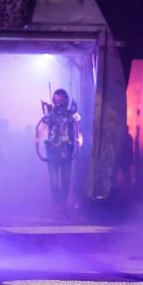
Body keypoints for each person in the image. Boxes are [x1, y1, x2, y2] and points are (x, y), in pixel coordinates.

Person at [35, 88, 83, 216]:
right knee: (54, 180)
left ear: (66, 100)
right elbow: (42, 128)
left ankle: (62, 205)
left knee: (66, 180)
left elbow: (79, 127)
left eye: (61, 100)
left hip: (66, 150)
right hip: (52, 150)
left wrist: (80, 138)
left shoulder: (73, 114)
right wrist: (37, 136)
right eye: (56, 100)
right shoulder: (49, 115)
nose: (59, 103)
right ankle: (57, 206)